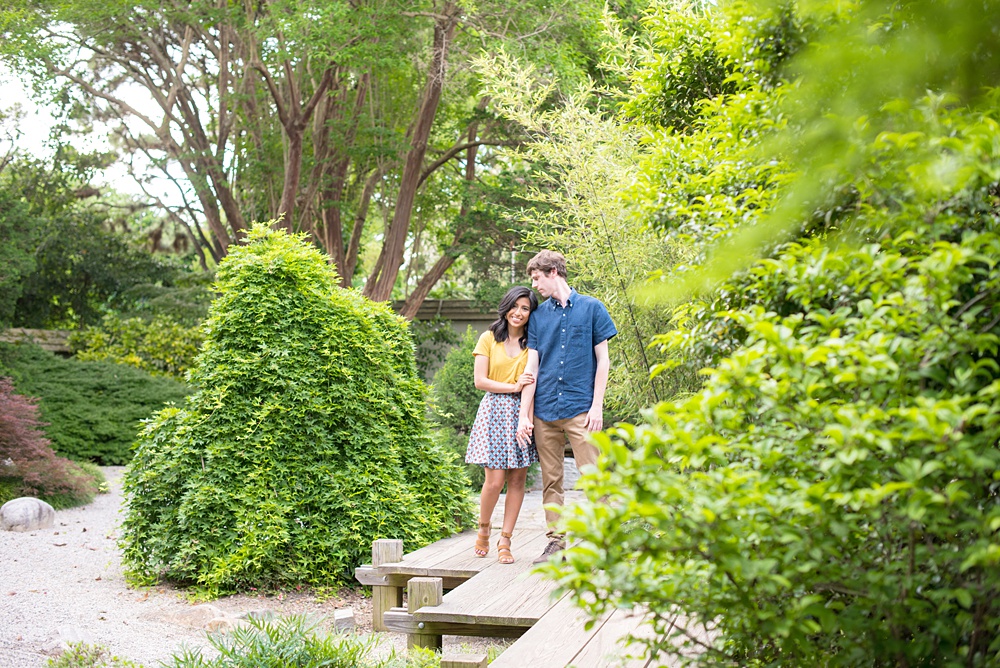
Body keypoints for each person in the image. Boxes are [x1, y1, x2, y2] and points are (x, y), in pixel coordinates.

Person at [515, 250, 617, 564]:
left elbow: (604, 361)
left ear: (553, 272)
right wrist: (524, 415)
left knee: (594, 477)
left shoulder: (592, 308)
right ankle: (555, 544)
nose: (535, 285)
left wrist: (597, 405)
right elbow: (532, 367)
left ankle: (604, 544)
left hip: (581, 409)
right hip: (545, 411)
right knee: (551, 480)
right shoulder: (539, 317)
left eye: (536, 278)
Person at [466, 286, 540, 564]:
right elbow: (480, 381)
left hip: (523, 411)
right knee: (495, 481)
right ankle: (484, 528)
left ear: (531, 314)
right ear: (506, 306)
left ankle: (505, 540)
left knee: (518, 480)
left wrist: (526, 415)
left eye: (525, 308)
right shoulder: (488, 338)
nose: (518, 313)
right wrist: (512, 386)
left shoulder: (533, 342)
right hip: (494, 411)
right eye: (515, 306)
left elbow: (531, 382)